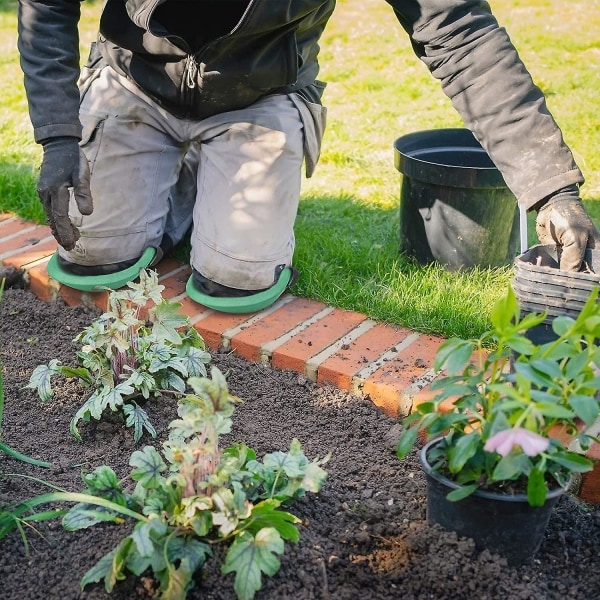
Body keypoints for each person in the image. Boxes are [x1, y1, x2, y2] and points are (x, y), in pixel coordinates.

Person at [17, 0, 599, 312]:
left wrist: (549, 186)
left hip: (257, 94)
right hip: (135, 80)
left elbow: (460, 34)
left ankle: (201, 178)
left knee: (234, 282)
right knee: (93, 259)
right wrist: (59, 136)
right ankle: (180, 176)